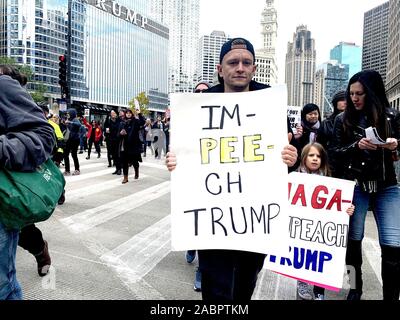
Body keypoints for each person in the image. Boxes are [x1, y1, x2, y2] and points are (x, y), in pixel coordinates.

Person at [166, 38, 298, 301]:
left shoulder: (269, 102)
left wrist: (290, 157)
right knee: (215, 287)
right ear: (220, 68)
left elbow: (281, 151)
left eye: (246, 63)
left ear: (254, 68)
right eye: (233, 62)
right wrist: (173, 160)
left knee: (245, 284)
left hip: (256, 216)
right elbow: (185, 151)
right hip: (212, 215)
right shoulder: (199, 104)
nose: (240, 68)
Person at [332, 70, 400, 300]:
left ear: (371, 93)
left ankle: (391, 296)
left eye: (359, 93)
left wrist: (394, 145)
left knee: (392, 246)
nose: (354, 98)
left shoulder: (392, 116)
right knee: (352, 241)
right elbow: (333, 153)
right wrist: (356, 146)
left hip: (387, 186)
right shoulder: (342, 120)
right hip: (356, 185)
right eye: (351, 93)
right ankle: (354, 288)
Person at [0, 68, 55, 299]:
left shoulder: (3, 85)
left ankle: (41, 252)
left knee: (3, 288)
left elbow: (44, 135)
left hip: (6, 200)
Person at [295, 143, 354, 300]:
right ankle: (302, 282)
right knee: (303, 255)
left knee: (321, 258)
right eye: (311, 155)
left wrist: (347, 209)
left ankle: (319, 290)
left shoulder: (331, 180)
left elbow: (340, 203)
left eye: (318, 156)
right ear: (303, 158)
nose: (315, 159)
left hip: (322, 228)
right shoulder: (294, 178)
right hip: (302, 227)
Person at [185, 81, 211, 292]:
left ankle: (202, 270)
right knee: (195, 220)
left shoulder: (221, 113)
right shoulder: (187, 115)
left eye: (205, 91)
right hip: (193, 177)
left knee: (207, 225)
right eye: (198, 91)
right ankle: (192, 244)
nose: (202, 93)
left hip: (216, 181)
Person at [317, 91, 347, 176]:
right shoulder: (326, 123)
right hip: (329, 163)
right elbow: (319, 145)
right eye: (342, 100)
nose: (345, 102)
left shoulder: (354, 122)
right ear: (335, 102)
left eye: (347, 99)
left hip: (347, 165)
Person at [118, 109, 145, 184]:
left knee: (135, 161)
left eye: (130, 113)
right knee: (124, 162)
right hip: (125, 146)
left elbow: (142, 122)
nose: (128, 114)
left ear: (132, 114)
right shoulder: (122, 123)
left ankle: (136, 172)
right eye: (127, 113)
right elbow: (118, 135)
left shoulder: (135, 121)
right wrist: (121, 133)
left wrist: (139, 113)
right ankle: (125, 178)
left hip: (134, 145)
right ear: (125, 114)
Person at [63, 108, 81, 176]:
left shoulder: (75, 119)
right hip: (69, 139)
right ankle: (67, 170)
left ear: (72, 114)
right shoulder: (68, 120)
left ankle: (77, 169)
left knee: (74, 154)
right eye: (67, 114)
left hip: (75, 140)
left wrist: (70, 122)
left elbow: (79, 125)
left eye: (68, 114)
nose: (67, 115)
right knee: (65, 154)